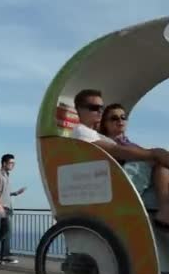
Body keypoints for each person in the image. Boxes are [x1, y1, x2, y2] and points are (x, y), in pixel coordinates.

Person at [71, 89, 169, 229]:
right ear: (79, 110)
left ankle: (165, 211)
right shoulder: (81, 131)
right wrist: (153, 153)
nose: (99, 111)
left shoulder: (96, 134)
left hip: (120, 178)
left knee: (159, 165)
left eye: (101, 108)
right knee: (154, 159)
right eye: (94, 108)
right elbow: (115, 151)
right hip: (112, 186)